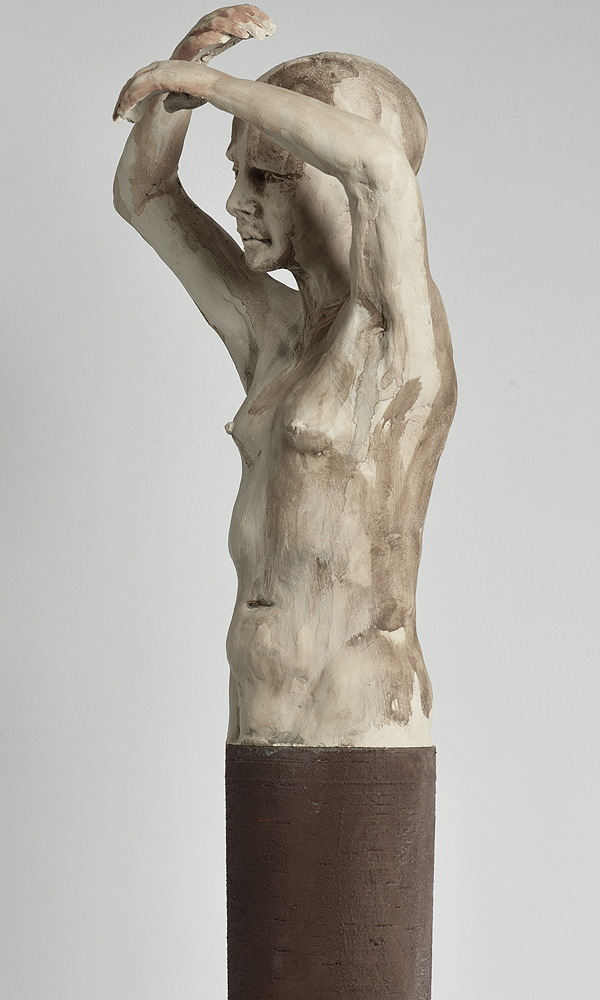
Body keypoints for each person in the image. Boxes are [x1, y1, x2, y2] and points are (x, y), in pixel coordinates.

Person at [113, 5, 457, 748]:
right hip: (256, 702)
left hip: (357, 706)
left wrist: (215, 87)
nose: (238, 201)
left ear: (336, 182)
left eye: (268, 175)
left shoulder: (395, 338)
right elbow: (145, 198)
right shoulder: (275, 334)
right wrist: (183, 82)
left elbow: (380, 168)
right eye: (236, 173)